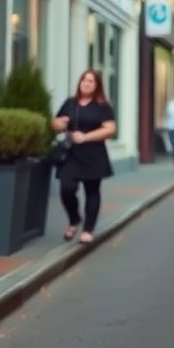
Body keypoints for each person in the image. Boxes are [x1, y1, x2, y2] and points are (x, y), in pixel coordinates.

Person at [51, 70, 116, 245]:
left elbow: (110, 129)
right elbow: (55, 123)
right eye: (84, 80)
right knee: (66, 188)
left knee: (92, 192)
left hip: (94, 154)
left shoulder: (102, 106)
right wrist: (58, 124)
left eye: (91, 81)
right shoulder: (70, 103)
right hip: (71, 154)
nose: (86, 84)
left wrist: (85, 137)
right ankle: (74, 219)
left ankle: (88, 230)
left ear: (97, 86)